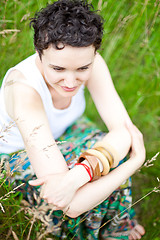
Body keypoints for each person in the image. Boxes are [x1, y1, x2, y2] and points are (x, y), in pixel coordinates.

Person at [0, 0, 146, 239]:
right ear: (39, 53)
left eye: (82, 69)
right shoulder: (24, 90)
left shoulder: (92, 62)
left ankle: (112, 222)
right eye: (58, 69)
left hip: (66, 131)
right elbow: (72, 205)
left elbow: (124, 132)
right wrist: (134, 161)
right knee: (110, 158)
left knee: (107, 148)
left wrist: (78, 175)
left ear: (93, 54)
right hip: (17, 156)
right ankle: (109, 227)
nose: (70, 82)